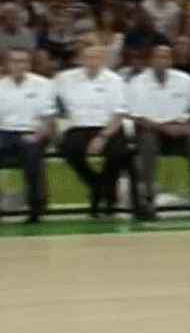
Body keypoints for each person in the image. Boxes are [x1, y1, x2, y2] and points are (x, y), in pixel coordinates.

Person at [127, 43, 190, 219]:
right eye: (159, 57)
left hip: (180, 130)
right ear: (151, 60)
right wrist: (164, 128)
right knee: (147, 142)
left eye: (167, 57)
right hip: (151, 129)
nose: (163, 61)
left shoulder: (186, 80)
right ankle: (147, 201)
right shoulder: (137, 83)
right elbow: (136, 118)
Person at [54, 44, 133, 217]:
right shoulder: (64, 78)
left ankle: (102, 193)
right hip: (78, 126)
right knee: (68, 149)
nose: (93, 61)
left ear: (104, 60)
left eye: (97, 57)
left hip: (108, 126)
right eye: (89, 57)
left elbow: (118, 114)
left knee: (119, 153)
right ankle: (100, 187)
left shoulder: (114, 80)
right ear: (81, 59)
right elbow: (50, 100)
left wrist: (102, 137)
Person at [0, 48, 56, 222]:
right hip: (5, 132)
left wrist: (37, 135)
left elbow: (48, 118)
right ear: (7, 65)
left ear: (29, 64)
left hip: (33, 132)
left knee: (33, 156)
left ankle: (36, 208)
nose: (19, 65)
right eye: (15, 61)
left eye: (23, 61)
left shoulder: (44, 84)